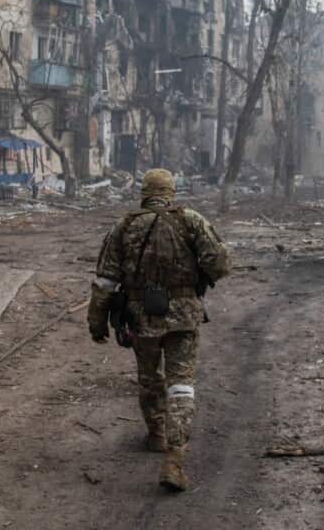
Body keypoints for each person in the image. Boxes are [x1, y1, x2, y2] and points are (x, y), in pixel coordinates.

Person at [87, 168, 230, 492]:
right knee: (182, 385)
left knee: (150, 377)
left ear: (144, 193)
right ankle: (175, 458)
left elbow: (105, 281)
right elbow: (220, 264)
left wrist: (97, 321)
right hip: (184, 317)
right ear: (171, 193)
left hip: (141, 318)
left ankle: (156, 434)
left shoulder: (124, 226)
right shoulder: (191, 220)